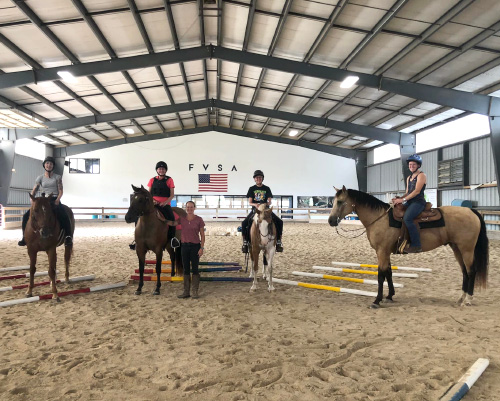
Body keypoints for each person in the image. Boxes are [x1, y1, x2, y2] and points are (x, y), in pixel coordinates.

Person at [18, 156, 73, 246]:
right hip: (43, 200)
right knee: (26, 216)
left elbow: (60, 190)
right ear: (44, 165)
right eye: (47, 163)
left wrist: (58, 199)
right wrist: (32, 199)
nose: (49, 165)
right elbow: (35, 189)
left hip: (54, 199)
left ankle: (67, 237)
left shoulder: (57, 177)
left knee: (64, 215)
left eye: (51, 164)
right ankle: (24, 237)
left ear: (53, 166)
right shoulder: (40, 178)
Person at [241, 170, 283, 253]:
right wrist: (256, 205)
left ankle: (278, 241)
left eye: (260, 177)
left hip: (266, 209)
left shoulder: (266, 188)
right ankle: (245, 242)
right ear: (254, 179)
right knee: (245, 222)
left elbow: (269, 201)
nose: (258, 179)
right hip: (256, 210)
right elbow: (250, 202)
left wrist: (265, 204)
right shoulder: (251, 189)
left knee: (279, 221)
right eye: (257, 177)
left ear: (262, 179)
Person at [392, 154, 427, 253]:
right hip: (410, 201)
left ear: (418, 165)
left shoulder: (422, 175)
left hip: (418, 202)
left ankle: (416, 245)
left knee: (408, 218)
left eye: (414, 164)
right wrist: (399, 199)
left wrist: (402, 200)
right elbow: (408, 192)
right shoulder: (409, 177)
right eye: (410, 164)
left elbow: (416, 191)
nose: (411, 166)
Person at [177, 201, 205, 299]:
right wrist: (162, 220)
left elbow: (202, 235)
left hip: (195, 247)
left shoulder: (199, 219)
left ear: (194, 208)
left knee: (195, 269)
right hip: (184, 246)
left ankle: (195, 291)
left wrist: (201, 248)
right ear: (186, 208)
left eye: (191, 207)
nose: (189, 209)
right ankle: (186, 291)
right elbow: (172, 223)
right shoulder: (182, 219)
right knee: (186, 269)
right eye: (188, 207)